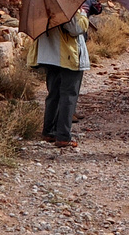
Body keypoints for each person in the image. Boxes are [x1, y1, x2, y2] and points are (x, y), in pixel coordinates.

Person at [26, 8, 89, 149]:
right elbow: (76, 28)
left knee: (53, 95)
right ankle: (63, 136)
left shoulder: (42, 4)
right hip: (67, 56)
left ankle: (49, 131)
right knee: (68, 96)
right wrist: (82, 14)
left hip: (49, 55)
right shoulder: (64, 4)